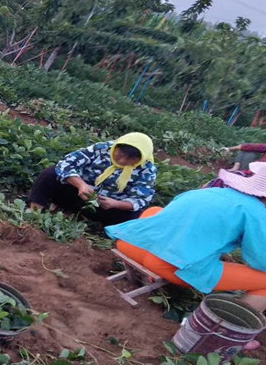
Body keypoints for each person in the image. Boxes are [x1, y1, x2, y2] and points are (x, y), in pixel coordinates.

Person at [106, 162, 266, 316]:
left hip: (131, 244)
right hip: (168, 266)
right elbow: (260, 261)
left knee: (156, 210)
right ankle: (229, 328)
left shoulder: (208, 192)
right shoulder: (256, 212)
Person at [29, 133, 157, 226]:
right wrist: (81, 185)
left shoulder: (147, 170)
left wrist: (115, 204)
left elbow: (141, 199)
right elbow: (66, 163)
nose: (122, 161)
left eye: (131, 160)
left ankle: (88, 220)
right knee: (51, 173)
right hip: (77, 194)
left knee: (135, 216)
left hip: (105, 206)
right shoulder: (102, 149)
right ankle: (35, 212)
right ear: (116, 147)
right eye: (121, 155)